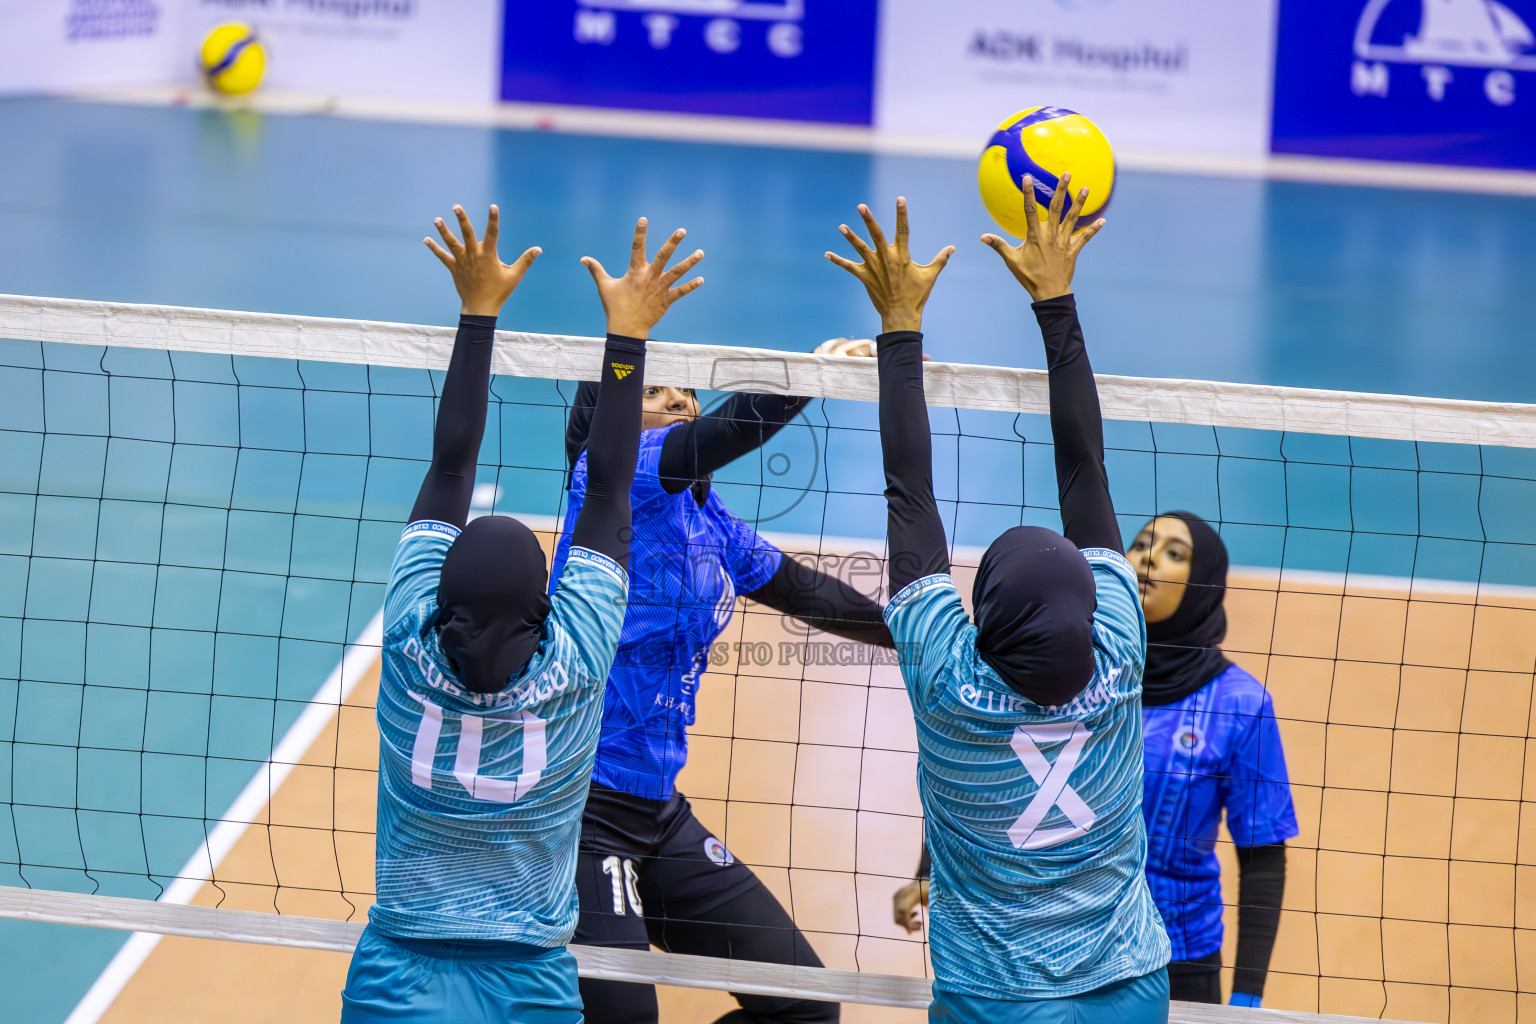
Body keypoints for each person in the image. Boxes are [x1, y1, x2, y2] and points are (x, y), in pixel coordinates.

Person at [340, 207, 704, 1023]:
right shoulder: (575, 662)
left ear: (437, 607)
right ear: (546, 609)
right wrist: (627, 335)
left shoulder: (404, 648)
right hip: (530, 986)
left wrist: (477, 313)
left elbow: (448, 466)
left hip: (397, 977)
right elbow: (610, 490)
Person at [830, 184, 1169, 1022]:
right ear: (1091, 612)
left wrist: (898, 328)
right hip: (1128, 990)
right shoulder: (1120, 660)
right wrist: (1056, 300)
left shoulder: (949, 687)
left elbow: (909, 493)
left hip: (994, 1001)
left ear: (982, 617)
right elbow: (1085, 474)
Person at [554, 307, 895, 1024]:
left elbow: (807, 592)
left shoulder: (709, 521)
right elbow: (733, 428)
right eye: (654, 392)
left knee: (805, 1008)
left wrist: (930, 635)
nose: (679, 400)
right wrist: (812, 374)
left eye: (685, 391)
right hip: (583, 809)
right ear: (611, 418)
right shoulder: (608, 477)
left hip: (658, 813)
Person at [1130, 512, 1298, 1008]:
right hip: (1068, 942)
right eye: (1140, 544)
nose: (1148, 557)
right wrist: (929, 870)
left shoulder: (1241, 705)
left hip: (1176, 957)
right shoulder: (1083, 672)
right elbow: (994, 769)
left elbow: (1262, 856)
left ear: (1201, 584)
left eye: (1174, 552)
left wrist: (1247, 997)